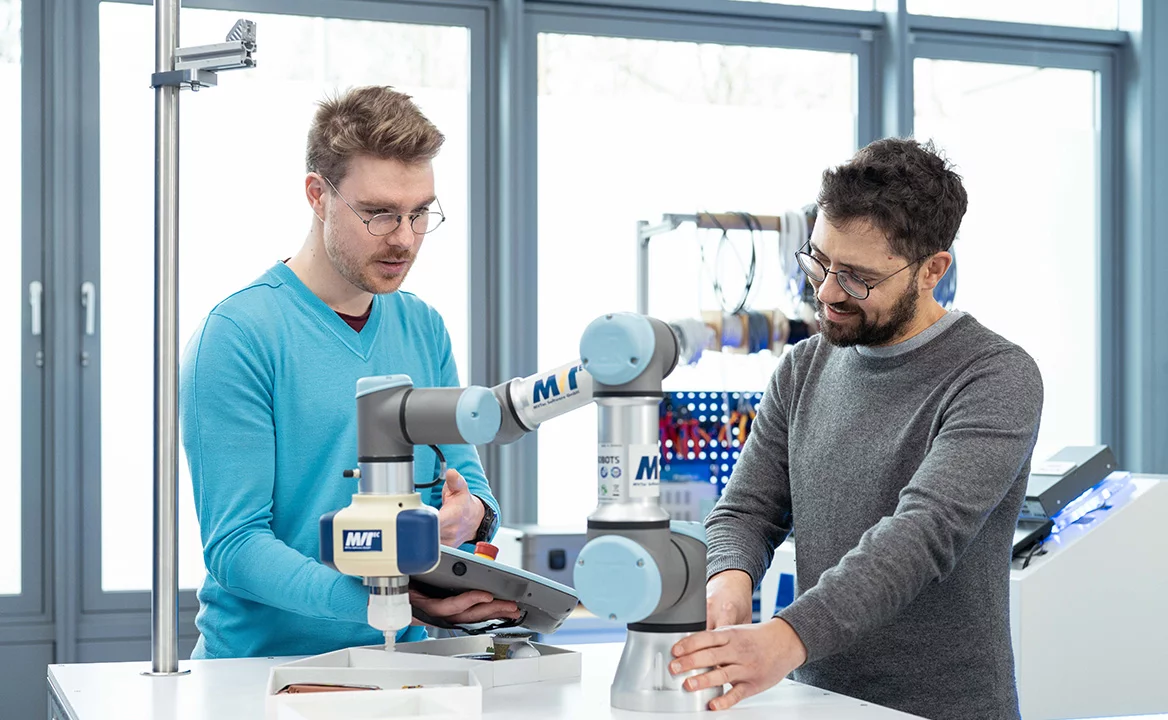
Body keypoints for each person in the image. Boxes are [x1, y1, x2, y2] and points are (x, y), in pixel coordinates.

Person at [669, 137, 1043, 720]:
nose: (825, 292)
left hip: (944, 709)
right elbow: (747, 510)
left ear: (933, 270)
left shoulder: (996, 377)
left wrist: (787, 637)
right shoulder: (802, 367)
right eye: (818, 261)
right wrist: (729, 580)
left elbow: (922, 533)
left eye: (857, 277)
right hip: (815, 699)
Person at [180, 86, 519, 660]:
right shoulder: (238, 336)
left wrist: (469, 519)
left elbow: (468, 480)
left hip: (402, 665)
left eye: (420, 213)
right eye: (380, 213)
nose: (405, 239)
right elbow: (236, 546)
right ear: (318, 195)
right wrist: (383, 599)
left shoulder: (423, 327)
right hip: (261, 674)